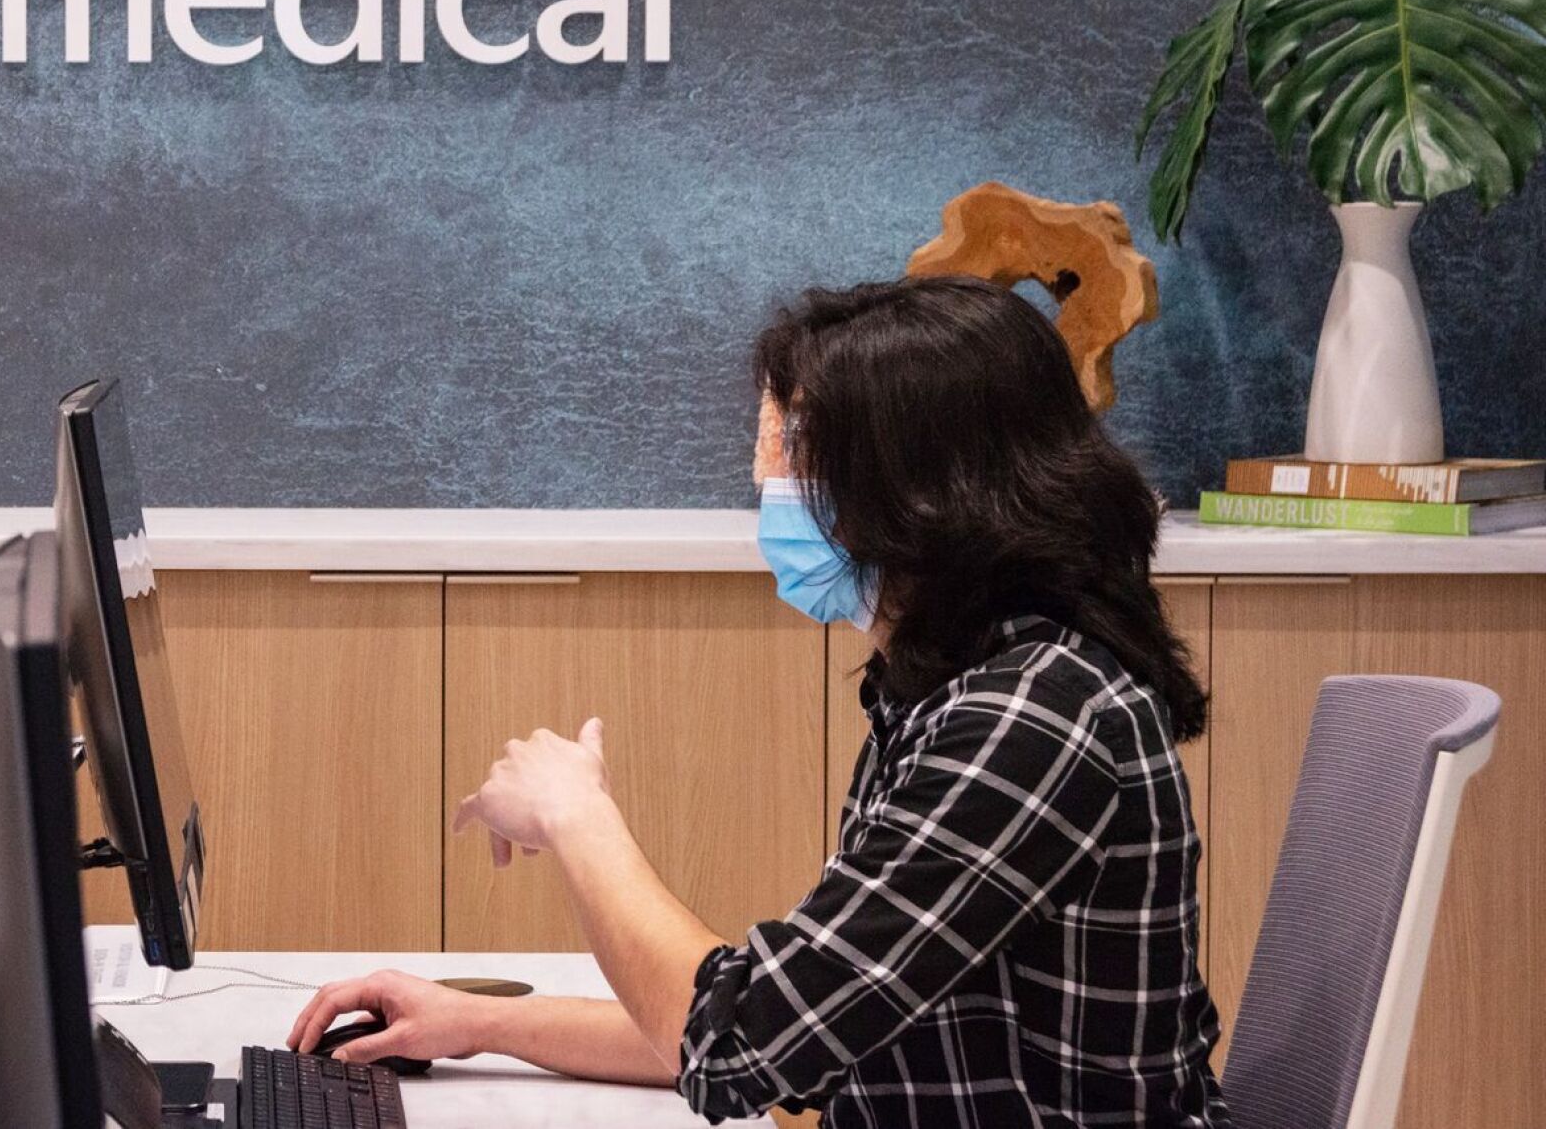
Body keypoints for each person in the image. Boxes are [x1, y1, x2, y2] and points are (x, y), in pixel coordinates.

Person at [290, 275, 1228, 1127]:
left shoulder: (1032, 720)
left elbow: (741, 1044)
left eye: (798, 454)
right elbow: (798, 1026)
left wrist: (576, 814)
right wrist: (478, 1022)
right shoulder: (944, 694)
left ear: (922, 489)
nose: (765, 483)